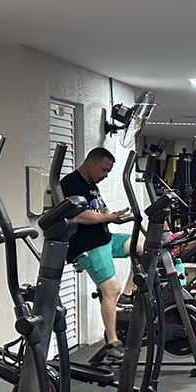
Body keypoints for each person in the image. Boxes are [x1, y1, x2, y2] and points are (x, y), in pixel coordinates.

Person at [61, 147, 138, 363]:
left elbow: (101, 211)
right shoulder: (71, 183)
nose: (105, 175)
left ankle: (129, 292)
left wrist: (115, 216)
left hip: (105, 239)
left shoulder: (91, 186)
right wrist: (109, 218)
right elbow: (79, 216)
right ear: (91, 162)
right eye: (104, 170)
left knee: (143, 245)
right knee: (111, 289)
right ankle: (112, 343)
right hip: (88, 246)